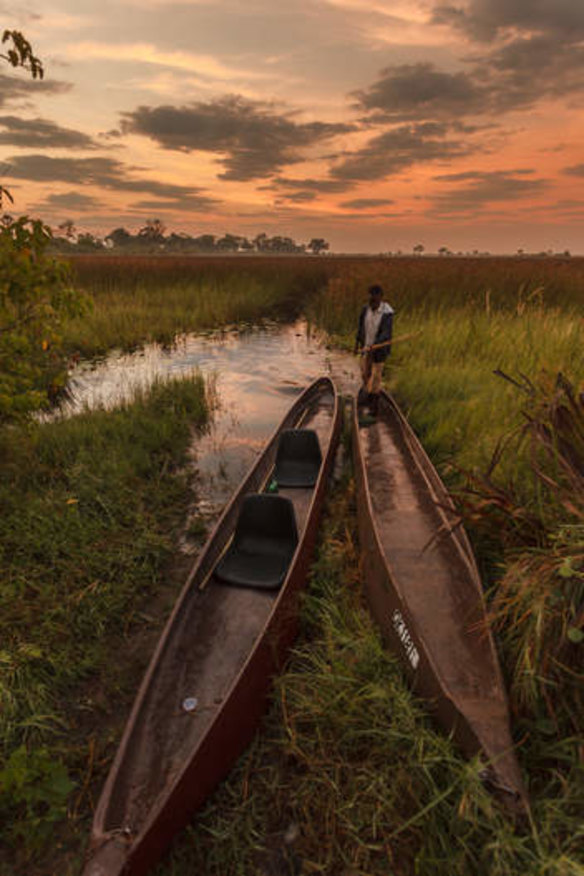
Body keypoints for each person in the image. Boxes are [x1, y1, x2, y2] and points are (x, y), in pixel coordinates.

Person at [354, 284, 394, 416]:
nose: (372, 300)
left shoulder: (387, 313)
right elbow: (360, 327)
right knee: (365, 374)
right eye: (370, 297)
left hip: (379, 351)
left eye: (375, 297)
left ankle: (374, 408)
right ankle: (367, 396)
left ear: (381, 297)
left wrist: (375, 345)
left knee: (376, 378)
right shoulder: (365, 309)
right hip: (366, 348)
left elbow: (386, 333)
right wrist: (357, 344)